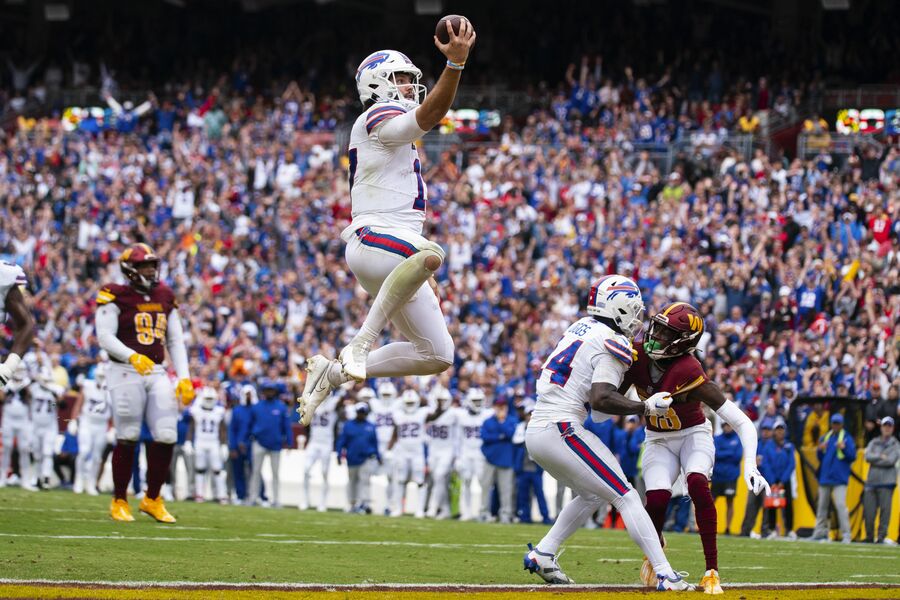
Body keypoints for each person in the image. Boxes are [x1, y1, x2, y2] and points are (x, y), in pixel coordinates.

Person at [297, 18, 478, 425]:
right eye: (401, 78)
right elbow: (430, 114)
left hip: (395, 250)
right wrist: (455, 65)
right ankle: (360, 344)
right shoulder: (377, 115)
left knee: (437, 354)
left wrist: (417, 269)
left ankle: (333, 373)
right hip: (373, 239)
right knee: (430, 252)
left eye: (409, 79)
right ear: (377, 84)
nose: (409, 86)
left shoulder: (388, 128)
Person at [523, 275, 692, 591]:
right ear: (619, 308)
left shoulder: (582, 327)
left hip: (540, 428)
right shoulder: (612, 340)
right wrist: (645, 407)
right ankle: (665, 574)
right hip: (561, 428)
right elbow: (601, 399)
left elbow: (598, 414)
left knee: (592, 495)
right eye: (634, 309)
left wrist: (626, 390)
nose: (637, 318)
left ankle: (543, 553)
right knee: (626, 495)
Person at [624, 302, 770, 594]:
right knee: (656, 500)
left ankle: (711, 571)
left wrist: (750, 464)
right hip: (657, 438)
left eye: (666, 333)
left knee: (697, 485)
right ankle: (656, 553)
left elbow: (742, 422)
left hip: (693, 434)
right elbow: (608, 396)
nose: (656, 336)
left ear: (683, 341)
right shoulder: (636, 356)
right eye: (658, 328)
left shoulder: (689, 370)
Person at [95, 243, 195, 523]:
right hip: (124, 370)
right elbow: (105, 337)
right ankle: (119, 499)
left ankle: (152, 498)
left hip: (156, 371)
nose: (150, 270)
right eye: (144, 266)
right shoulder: (115, 294)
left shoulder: (165, 295)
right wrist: (132, 356)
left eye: (152, 265)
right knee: (127, 434)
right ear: (130, 269)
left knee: (167, 434)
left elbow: (175, 340)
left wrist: (184, 377)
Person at [389, 388, 444, 517]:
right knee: (400, 480)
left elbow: (435, 415)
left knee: (420, 481)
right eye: (407, 403)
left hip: (417, 452)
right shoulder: (398, 414)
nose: (409, 405)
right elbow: (395, 433)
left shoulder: (421, 413)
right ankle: (398, 509)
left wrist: (439, 405)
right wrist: (389, 449)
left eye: (411, 403)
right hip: (402, 451)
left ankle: (419, 510)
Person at [811, 413, 857, 542]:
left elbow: (852, 456)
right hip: (825, 477)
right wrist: (820, 450)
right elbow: (820, 458)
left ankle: (846, 534)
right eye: (834, 423)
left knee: (841, 505)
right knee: (822, 506)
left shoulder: (847, 438)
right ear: (831, 424)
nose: (836, 426)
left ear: (842, 425)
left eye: (838, 423)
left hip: (839, 478)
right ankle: (819, 532)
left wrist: (844, 449)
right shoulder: (826, 438)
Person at [247, 379, 292, 507]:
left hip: (276, 444)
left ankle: (276, 499)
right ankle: (253, 498)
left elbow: (286, 426)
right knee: (255, 471)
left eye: (271, 390)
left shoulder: (281, 407)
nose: (269, 392)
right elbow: (250, 424)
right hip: (259, 442)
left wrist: (289, 441)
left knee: (275, 473)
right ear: (263, 392)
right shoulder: (256, 407)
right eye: (267, 390)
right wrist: (249, 437)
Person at [71, 365, 112, 495]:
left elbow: (114, 410)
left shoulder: (111, 390)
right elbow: (78, 404)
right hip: (87, 422)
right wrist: (73, 420)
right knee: (84, 451)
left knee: (97, 456)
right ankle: (78, 480)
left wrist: (113, 428)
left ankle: (91, 483)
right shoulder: (88, 386)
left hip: (102, 425)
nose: (102, 379)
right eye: (100, 376)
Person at [336, 402, 381, 513]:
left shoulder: (371, 426)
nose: (361, 414)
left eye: (363, 412)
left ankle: (365, 504)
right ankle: (352, 503)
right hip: (351, 458)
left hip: (366, 458)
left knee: (365, 481)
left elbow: (375, 443)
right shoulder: (348, 425)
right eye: (360, 412)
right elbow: (342, 441)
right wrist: (339, 454)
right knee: (352, 481)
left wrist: (378, 456)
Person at [301, 391, 340, 512]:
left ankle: (323, 502)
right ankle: (305, 500)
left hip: (326, 443)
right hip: (314, 442)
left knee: (324, 472)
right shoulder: (313, 403)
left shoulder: (333, 403)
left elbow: (340, 400)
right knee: (306, 470)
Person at [481, 397, 517, 523]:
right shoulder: (488, 421)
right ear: (494, 407)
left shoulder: (512, 420)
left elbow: (510, 434)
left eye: (503, 406)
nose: (501, 408)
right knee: (485, 487)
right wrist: (500, 436)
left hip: (506, 460)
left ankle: (505, 514)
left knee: (506, 489)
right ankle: (484, 513)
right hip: (489, 459)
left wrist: (502, 422)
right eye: (498, 406)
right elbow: (485, 437)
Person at [188, 387, 228, 503]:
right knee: (199, 469)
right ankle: (199, 494)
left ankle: (221, 494)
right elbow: (191, 427)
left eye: (211, 399)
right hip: (200, 441)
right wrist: (188, 441)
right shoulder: (196, 410)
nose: (209, 401)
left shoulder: (219, 411)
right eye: (207, 399)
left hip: (214, 442)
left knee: (218, 469)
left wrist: (224, 445)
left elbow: (222, 430)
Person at [513, 402, 551, 524]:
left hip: (536, 468)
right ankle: (525, 517)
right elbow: (516, 442)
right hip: (523, 468)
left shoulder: (541, 429)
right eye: (528, 414)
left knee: (540, 494)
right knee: (523, 495)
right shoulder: (520, 428)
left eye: (532, 414)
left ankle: (545, 517)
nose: (530, 417)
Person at [863, 416, 898, 544]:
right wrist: (881, 456)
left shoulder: (896, 444)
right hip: (872, 481)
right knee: (869, 512)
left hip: (887, 482)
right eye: (885, 425)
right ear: (881, 427)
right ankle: (869, 536)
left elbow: (891, 460)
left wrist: (875, 459)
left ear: (893, 428)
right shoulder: (874, 442)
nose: (887, 428)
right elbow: (867, 456)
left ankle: (881, 537)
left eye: (889, 426)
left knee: (885, 511)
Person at [425, 386, 459, 519]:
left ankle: (433, 507)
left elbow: (458, 435)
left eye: (444, 400)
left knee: (439, 476)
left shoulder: (454, 413)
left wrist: (457, 454)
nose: (441, 403)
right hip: (433, 449)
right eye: (439, 400)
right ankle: (445, 509)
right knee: (438, 480)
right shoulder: (429, 412)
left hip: (447, 450)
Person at [457, 387, 490, 520]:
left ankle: (484, 511)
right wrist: (458, 457)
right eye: (475, 401)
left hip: (481, 453)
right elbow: (458, 438)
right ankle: (466, 511)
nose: (477, 403)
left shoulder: (488, 414)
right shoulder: (461, 416)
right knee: (466, 482)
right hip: (466, 453)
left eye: (479, 400)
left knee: (484, 483)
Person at [28, 364, 63, 489]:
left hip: (50, 425)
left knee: (47, 452)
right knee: (37, 454)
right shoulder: (33, 388)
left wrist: (55, 397)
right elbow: (26, 398)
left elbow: (59, 406)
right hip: (35, 425)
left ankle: (46, 478)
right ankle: (38, 478)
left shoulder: (56, 389)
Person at [0, 366, 34, 489]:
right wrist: (8, 391)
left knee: (24, 449)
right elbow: (1, 399)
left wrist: (26, 391)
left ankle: (25, 479)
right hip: (8, 419)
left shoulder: (27, 383)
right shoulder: (6, 382)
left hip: (23, 420)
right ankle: (2, 477)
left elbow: (31, 400)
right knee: (7, 448)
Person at [760, 420, 796, 539]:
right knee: (772, 505)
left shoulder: (789, 446)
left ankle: (789, 529)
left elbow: (791, 464)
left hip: (784, 481)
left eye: (782, 429)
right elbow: (766, 464)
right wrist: (773, 481)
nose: (780, 432)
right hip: (773, 481)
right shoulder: (768, 446)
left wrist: (782, 480)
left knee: (788, 504)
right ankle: (772, 529)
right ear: (774, 432)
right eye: (778, 429)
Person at [711, 423, 742, 535]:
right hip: (717, 476)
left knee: (730, 501)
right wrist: (729, 452)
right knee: (711, 501)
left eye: (729, 425)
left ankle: (728, 528)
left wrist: (722, 454)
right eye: (725, 425)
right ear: (722, 426)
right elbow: (714, 454)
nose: (727, 427)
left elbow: (738, 456)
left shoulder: (737, 439)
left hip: (731, 477)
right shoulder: (717, 438)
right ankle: (707, 525)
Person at [228, 384, 255, 504]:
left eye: (250, 394)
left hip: (252, 445)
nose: (248, 397)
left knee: (255, 471)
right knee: (238, 472)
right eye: (246, 394)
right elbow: (232, 430)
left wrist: (247, 443)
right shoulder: (237, 410)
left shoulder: (256, 409)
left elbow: (257, 428)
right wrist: (233, 446)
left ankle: (258, 495)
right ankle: (240, 495)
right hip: (238, 446)